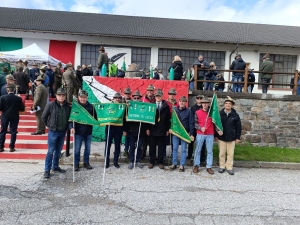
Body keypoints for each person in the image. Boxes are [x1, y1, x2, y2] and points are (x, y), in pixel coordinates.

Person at [42, 88, 71, 179]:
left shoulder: (68, 106)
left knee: (58, 151)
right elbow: (44, 117)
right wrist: (48, 125)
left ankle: (55, 166)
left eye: (63, 96)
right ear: (56, 96)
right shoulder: (50, 105)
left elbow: (70, 119)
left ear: (65, 96)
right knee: (50, 151)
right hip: (53, 132)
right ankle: (47, 170)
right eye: (59, 95)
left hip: (63, 132)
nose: (61, 97)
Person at [193, 97, 223, 175]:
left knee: (209, 151)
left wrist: (218, 130)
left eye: (206, 103)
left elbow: (215, 123)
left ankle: (209, 166)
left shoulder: (212, 113)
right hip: (200, 134)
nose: (205, 104)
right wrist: (200, 128)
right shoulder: (197, 112)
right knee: (198, 150)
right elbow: (195, 123)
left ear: (209, 104)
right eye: (203, 103)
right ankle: (196, 165)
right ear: (201, 104)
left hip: (210, 134)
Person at [69, 90, 97, 171]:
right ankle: (76, 163)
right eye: (81, 97)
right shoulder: (75, 107)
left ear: (87, 98)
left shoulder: (91, 107)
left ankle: (86, 162)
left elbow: (95, 118)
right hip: (78, 131)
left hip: (88, 131)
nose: (83, 99)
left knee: (87, 148)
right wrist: (71, 127)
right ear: (79, 97)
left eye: (84, 97)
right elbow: (71, 119)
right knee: (77, 149)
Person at [216, 96, 241, 175]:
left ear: (232, 106)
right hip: (221, 137)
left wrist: (238, 137)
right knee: (222, 153)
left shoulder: (235, 115)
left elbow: (238, 127)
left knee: (230, 154)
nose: (228, 105)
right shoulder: (219, 114)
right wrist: (216, 134)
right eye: (226, 103)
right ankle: (222, 166)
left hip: (231, 137)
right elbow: (215, 125)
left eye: (229, 104)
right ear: (224, 105)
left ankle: (229, 167)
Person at [147, 89, 170, 169]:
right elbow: (148, 118)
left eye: (159, 96)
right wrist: (147, 128)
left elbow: (168, 119)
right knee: (152, 147)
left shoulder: (166, 106)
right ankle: (151, 161)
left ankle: (160, 162)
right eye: (157, 96)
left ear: (162, 96)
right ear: (155, 96)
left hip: (162, 129)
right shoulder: (151, 105)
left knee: (161, 147)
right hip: (153, 128)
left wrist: (167, 129)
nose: (158, 97)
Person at [169, 96, 194, 172]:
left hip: (184, 133)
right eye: (180, 101)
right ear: (178, 102)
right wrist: (170, 128)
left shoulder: (188, 111)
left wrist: (191, 133)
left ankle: (182, 165)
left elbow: (191, 123)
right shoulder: (175, 111)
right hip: (176, 133)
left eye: (183, 101)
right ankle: (174, 163)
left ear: (185, 102)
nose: (182, 103)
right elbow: (172, 121)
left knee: (183, 150)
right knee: (175, 149)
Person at [124, 90, 147, 169]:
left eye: (138, 98)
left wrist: (147, 128)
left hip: (141, 130)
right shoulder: (129, 106)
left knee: (139, 146)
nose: (136, 99)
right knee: (132, 146)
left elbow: (147, 119)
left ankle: (138, 161)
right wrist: (125, 130)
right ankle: (131, 161)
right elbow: (125, 119)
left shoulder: (144, 106)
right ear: (132, 98)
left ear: (140, 98)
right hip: (131, 130)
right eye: (135, 98)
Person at [0, 83, 25, 152]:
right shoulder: (18, 98)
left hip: (5, 116)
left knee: (3, 131)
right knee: (13, 131)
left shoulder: (2, 97)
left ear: (7, 90)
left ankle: (1, 146)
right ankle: (11, 147)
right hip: (14, 116)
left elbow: (0, 108)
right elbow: (22, 109)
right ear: (14, 90)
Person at [104, 92, 124, 168]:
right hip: (110, 128)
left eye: (119, 98)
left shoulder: (122, 107)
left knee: (117, 146)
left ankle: (116, 161)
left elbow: (124, 119)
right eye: (116, 98)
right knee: (107, 146)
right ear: (113, 99)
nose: (117, 99)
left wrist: (124, 129)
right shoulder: (109, 106)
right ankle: (106, 161)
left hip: (118, 129)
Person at [187, 95, 206, 161]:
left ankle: (202, 157)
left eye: (201, 98)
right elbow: (191, 118)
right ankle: (189, 155)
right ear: (196, 99)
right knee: (191, 142)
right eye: (198, 98)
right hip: (194, 127)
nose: (199, 99)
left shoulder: (205, 107)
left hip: (201, 128)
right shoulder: (192, 108)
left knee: (202, 142)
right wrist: (191, 128)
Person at [141, 84, 156, 159]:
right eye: (148, 90)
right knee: (144, 138)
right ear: (147, 91)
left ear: (153, 92)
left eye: (151, 90)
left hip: (153, 121)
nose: (150, 92)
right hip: (144, 121)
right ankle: (143, 152)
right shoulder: (143, 99)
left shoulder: (156, 99)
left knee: (152, 139)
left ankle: (151, 154)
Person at [122, 87, 132, 158]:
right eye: (126, 93)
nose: (127, 95)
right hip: (121, 122)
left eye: (128, 94)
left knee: (128, 137)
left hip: (130, 122)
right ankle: (122, 150)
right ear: (124, 94)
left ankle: (126, 150)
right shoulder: (121, 102)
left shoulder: (132, 102)